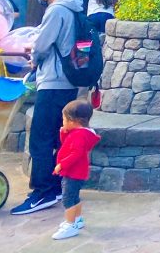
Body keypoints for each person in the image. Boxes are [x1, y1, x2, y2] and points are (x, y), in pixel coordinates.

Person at [10, 0, 83, 216]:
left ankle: (42, 193)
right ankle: (56, 186)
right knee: (55, 137)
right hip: (69, 81)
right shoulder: (74, 9)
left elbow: (42, 45)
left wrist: (33, 59)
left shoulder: (56, 10)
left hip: (53, 82)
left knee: (40, 139)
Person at [51, 100, 100, 240]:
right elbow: (67, 142)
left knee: (67, 199)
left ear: (74, 121)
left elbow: (76, 153)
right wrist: (63, 132)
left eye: (64, 119)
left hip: (73, 172)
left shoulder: (79, 135)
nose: (63, 122)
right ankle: (77, 220)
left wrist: (62, 165)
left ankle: (70, 225)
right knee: (74, 197)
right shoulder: (80, 133)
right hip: (77, 172)